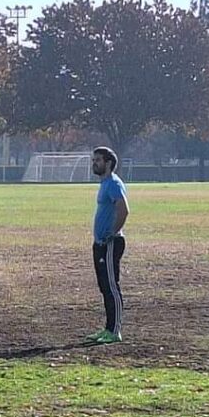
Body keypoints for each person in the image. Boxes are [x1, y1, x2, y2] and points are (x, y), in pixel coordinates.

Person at [86, 146, 129, 344]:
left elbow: (123, 209)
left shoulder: (113, 183)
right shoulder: (104, 184)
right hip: (100, 244)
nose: (94, 163)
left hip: (111, 243)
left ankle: (115, 330)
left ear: (108, 163)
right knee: (104, 286)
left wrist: (113, 232)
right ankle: (107, 328)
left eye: (98, 160)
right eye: (94, 160)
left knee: (111, 286)